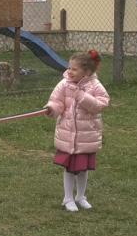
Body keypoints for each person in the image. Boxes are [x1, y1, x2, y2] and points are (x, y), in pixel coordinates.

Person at [45, 50, 110, 212]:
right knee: (69, 169)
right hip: (68, 135)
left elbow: (100, 105)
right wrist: (51, 108)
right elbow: (56, 102)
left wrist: (81, 96)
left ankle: (80, 196)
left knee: (83, 169)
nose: (69, 71)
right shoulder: (64, 84)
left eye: (74, 69)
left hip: (86, 136)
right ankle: (67, 198)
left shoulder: (95, 86)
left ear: (87, 72)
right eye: (69, 68)